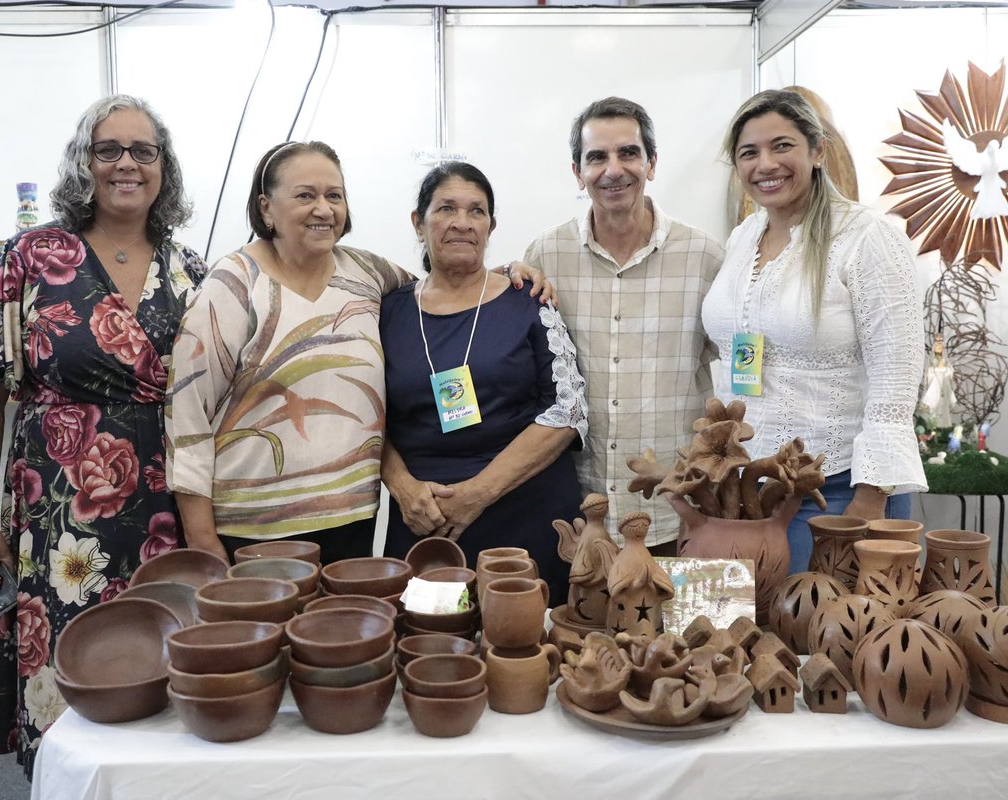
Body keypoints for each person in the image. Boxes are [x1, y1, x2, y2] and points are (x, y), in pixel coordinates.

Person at [0, 95, 206, 777]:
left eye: (143, 151)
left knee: (166, 674)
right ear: (83, 163)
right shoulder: (30, 258)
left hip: (165, 513)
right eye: (108, 149)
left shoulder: (191, 272)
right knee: (69, 687)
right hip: (61, 520)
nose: (126, 164)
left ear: (163, 167)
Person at [165, 143, 551, 565]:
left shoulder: (365, 274)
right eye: (305, 195)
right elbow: (187, 414)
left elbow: (447, 287)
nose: (323, 209)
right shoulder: (233, 285)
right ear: (266, 207)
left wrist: (508, 274)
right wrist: (201, 538)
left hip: (352, 522)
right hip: (254, 528)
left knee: (347, 630)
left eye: (335, 196)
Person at [701, 88, 927, 572]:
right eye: (749, 152)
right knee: (744, 639)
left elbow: (896, 380)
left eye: (781, 146)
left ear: (817, 150)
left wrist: (870, 499)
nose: (766, 164)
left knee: (823, 637)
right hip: (747, 490)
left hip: (838, 490)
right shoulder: (744, 237)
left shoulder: (867, 237)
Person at [380, 162, 587, 604]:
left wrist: (479, 493)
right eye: (446, 209)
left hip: (525, 508)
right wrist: (401, 487)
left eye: (477, 211)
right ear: (418, 223)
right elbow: (368, 419)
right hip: (425, 520)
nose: (462, 222)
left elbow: (566, 411)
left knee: (528, 650)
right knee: (430, 648)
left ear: (491, 226)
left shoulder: (528, 301)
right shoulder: (387, 313)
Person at [523, 97, 724, 551]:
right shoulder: (545, 256)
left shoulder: (705, 257)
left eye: (628, 153)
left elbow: (734, 363)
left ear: (651, 163)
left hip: (676, 514)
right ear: (578, 173)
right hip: (579, 517)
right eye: (597, 157)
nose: (613, 169)